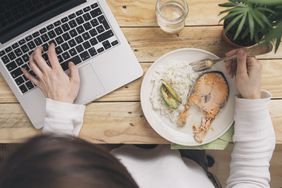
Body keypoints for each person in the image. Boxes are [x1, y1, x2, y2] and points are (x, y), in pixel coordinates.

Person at [0, 44, 275, 188]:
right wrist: (251, 99)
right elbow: (250, 180)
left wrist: (59, 109)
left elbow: (54, 173)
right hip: (191, 163)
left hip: (112, 150)